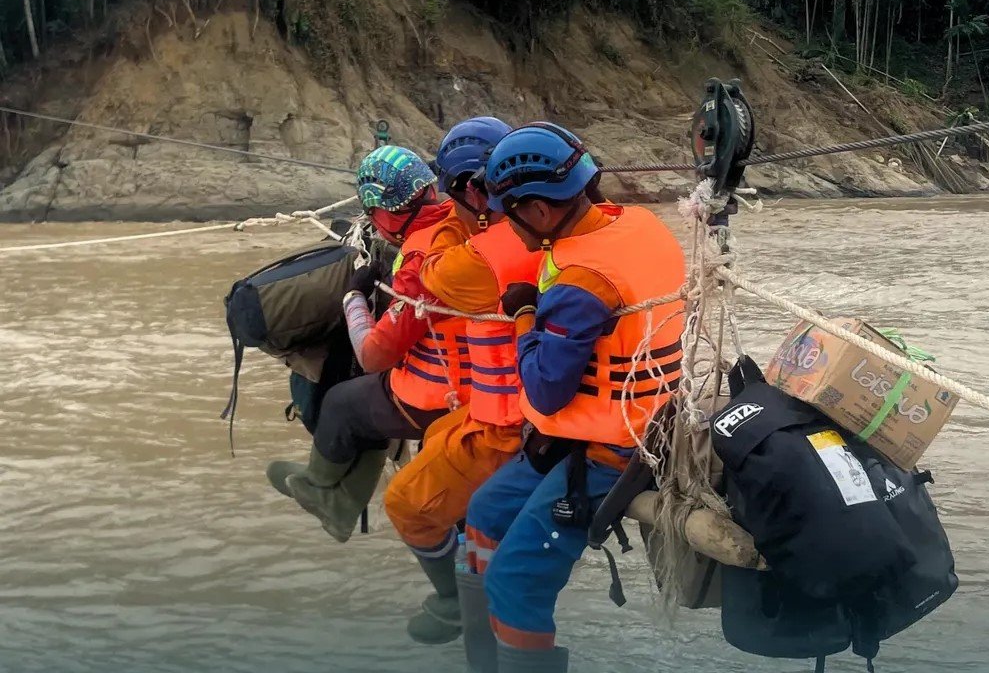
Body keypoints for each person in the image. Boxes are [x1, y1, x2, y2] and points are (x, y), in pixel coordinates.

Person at [462, 124, 687, 673]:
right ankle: (483, 658)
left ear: (539, 210)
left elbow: (544, 389)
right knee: (484, 512)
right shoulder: (640, 224)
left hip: (618, 449)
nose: (505, 226)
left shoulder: (583, 282)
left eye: (508, 215)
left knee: (515, 583)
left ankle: (511, 637)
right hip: (609, 423)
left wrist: (524, 315)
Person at [381, 118, 542, 653]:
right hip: (555, 408)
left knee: (405, 504)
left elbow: (431, 276)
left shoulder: (478, 258)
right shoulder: (574, 230)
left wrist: (358, 298)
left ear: (474, 191)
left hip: (508, 429)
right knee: (436, 438)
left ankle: (456, 601)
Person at [265, 145, 472, 543]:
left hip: (447, 394)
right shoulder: (460, 219)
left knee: (343, 403)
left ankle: (319, 489)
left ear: (384, 211)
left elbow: (373, 355)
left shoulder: (419, 260)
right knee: (370, 405)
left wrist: (353, 297)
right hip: (487, 377)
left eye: (372, 214)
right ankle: (341, 502)